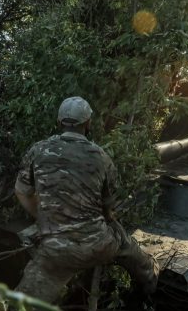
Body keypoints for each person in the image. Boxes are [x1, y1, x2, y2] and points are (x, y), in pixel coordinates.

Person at [13, 96, 159, 304]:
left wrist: (44, 216)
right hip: (98, 247)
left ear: (59, 121)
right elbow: (109, 211)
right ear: (88, 123)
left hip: (55, 251)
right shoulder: (102, 157)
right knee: (122, 239)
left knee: (24, 302)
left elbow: (21, 192)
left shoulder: (38, 150)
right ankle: (150, 279)